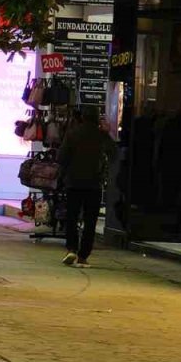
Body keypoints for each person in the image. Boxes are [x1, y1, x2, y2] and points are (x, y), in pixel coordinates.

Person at [57, 106, 118, 268]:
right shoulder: (101, 136)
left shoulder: (72, 134)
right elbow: (114, 153)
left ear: (82, 117)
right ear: (98, 118)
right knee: (90, 221)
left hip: (73, 183)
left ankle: (71, 248)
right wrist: (107, 132)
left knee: (72, 217)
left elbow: (61, 157)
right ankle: (83, 255)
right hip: (94, 184)